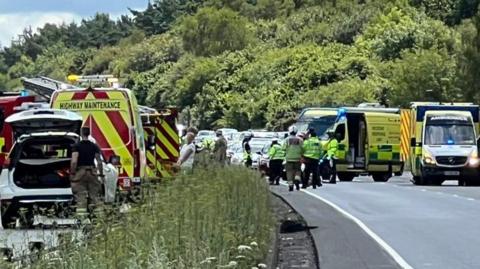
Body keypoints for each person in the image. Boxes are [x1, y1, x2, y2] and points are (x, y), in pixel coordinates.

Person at [70, 127, 104, 217]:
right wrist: (100, 174)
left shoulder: (76, 146)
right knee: (95, 196)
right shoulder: (94, 146)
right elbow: (99, 162)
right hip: (92, 172)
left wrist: (72, 173)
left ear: (81, 134)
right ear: (89, 134)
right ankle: (100, 218)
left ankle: (82, 219)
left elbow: (74, 161)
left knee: (81, 197)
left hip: (80, 173)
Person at [284, 125, 303, 191]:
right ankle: (297, 179)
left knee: (289, 172)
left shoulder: (286, 139)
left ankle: (290, 185)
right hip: (297, 158)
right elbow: (303, 148)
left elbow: (283, 148)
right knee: (298, 170)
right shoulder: (300, 139)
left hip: (289, 158)